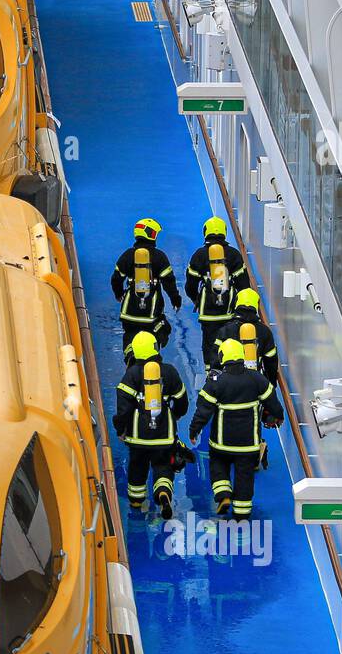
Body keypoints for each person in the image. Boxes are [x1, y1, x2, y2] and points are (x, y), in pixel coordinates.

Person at [189, 338, 283, 518]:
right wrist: (278, 416)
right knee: (244, 476)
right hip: (248, 444)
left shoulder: (216, 381)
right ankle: (242, 512)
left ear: (222, 357)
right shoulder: (257, 379)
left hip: (222, 443)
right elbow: (274, 403)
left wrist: (194, 430)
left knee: (218, 465)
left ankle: (223, 494)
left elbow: (203, 410)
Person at [113, 330, 188, 520]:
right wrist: (176, 416)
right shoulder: (170, 372)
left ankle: (136, 501)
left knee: (137, 467)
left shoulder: (132, 374)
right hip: (164, 435)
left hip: (138, 437)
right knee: (163, 466)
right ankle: (163, 492)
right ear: (156, 348)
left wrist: (120, 429)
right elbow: (181, 400)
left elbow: (123, 406)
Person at [111, 216, 182, 357]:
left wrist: (119, 294)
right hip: (152, 314)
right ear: (151, 234)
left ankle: (131, 361)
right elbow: (169, 282)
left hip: (129, 314)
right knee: (156, 336)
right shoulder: (160, 257)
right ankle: (151, 363)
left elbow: (116, 279)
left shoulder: (127, 255)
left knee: (130, 340)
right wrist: (176, 300)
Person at [184, 216, 249, 364]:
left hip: (208, 315)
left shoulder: (199, 255)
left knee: (209, 346)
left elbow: (190, 286)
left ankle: (211, 375)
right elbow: (244, 285)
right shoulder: (234, 255)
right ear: (224, 232)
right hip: (230, 313)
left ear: (206, 232)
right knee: (231, 344)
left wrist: (197, 300)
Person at [210, 288, 279, 383]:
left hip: (229, 381)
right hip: (254, 380)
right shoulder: (264, 331)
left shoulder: (226, 330)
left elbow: (216, 358)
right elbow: (271, 360)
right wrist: (271, 383)